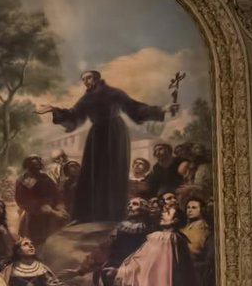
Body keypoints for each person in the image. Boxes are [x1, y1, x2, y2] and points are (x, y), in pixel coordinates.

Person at [37, 71, 176, 223]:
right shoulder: (86, 98)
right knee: (92, 172)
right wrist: (54, 110)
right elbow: (74, 115)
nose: (86, 82)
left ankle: (114, 215)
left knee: (113, 172)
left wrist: (162, 110)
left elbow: (135, 108)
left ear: (97, 78)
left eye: (88, 78)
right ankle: (88, 215)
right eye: (83, 79)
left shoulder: (114, 93)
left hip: (115, 133)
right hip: (96, 134)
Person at [13, 155, 67, 249]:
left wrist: (59, 205)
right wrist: (41, 207)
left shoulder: (44, 176)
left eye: (38, 162)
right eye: (33, 163)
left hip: (52, 212)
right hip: (35, 215)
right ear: (27, 165)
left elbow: (55, 192)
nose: (36, 164)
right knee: (36, 240)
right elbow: (23, 199)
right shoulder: (26, 178)